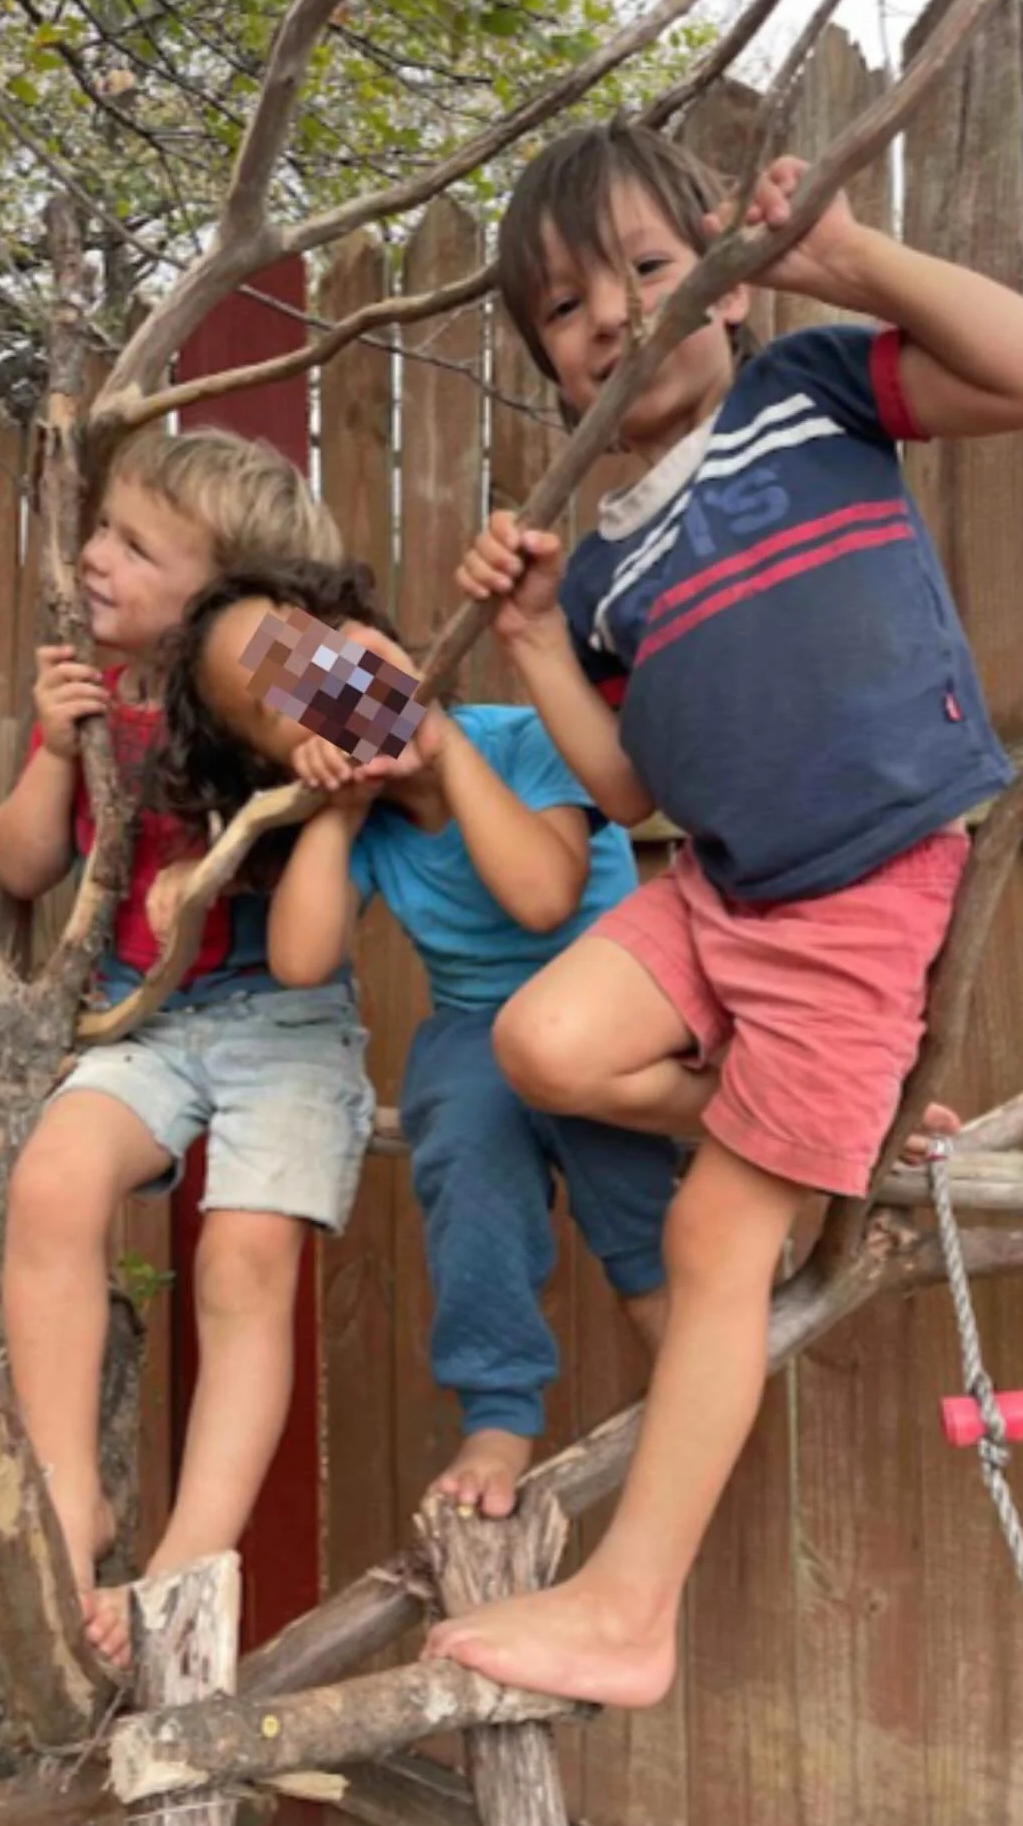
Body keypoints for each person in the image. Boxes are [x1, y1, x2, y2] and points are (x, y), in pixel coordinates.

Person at [430, 123, 1023, 1707]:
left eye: (654, 271)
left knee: (715, 1233)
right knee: (538, 1037)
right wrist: (531, 639)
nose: (618, 317)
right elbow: (632, 789)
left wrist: (851, 266)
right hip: (719, 885)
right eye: (571, 306)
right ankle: (819, 1117)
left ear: (726, 284)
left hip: (861, 890)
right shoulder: (600, 562)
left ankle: (632, 1612)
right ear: (542, 352)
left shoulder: (804, 400)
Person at [155, 560, 678, 1519]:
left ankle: (690, 1358)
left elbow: (543, 896)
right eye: (286, 708)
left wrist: (441, 747)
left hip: (610, 1017)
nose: (322, 693)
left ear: (364, 633)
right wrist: (340, 813)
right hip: (484, 1037)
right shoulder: (361, 828)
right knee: (458, 1119)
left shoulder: (523, 741)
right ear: (286, 766)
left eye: (314, 654)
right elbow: (304, 960)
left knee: (632, 1194)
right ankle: (499, 1409)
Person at [0, 431, 372, 1667]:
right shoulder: (98, 707)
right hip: (144, 1023)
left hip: (280, 1021)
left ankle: (192, 1553)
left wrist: (313, 695)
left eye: (133, 544)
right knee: (50, 1183)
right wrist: (55, 749)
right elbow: (18, 865)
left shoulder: (264, 675)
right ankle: (65, 1491)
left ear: (231, 593)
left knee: (245, 1260)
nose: (93, 557)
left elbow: (396, 709)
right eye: (101, 528)